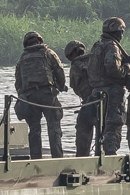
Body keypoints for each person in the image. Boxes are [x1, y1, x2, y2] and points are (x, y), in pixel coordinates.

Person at [87, 17, 130, 156]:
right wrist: (126, 67)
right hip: (112, 92)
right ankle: (110, 153)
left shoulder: (98, 45)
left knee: (101, 124)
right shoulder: (112, 47)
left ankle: (99, 151)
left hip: (98, 91)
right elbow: (114, 70)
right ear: (118, 32)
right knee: (114, 124)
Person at [12, 31, 66, 159]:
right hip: (48, 95)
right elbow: (60, 70)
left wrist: (22, 95)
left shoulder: (22, 58)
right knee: (54, 127)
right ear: (40, 41)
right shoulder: (48, 53)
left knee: (34, 129)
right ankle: (57, 158)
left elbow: (18, 81)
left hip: (30, 97)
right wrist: (61, 86)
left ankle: (36, 158)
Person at [65, 40, 93, 157]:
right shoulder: (95, 60)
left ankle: (83, 157)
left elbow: (74, 86)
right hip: (104, 99)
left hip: (89, 101)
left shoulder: (76, 66)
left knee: (83, 129)